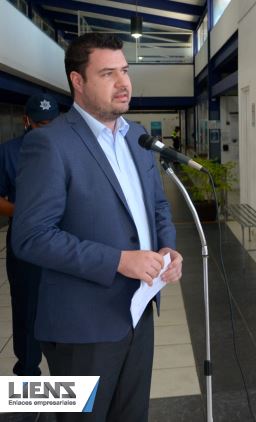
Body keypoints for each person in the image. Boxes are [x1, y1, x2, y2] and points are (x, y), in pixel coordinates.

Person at [12, 33, 183, 421]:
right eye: (107, 74)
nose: (123, 83)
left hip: (138, 315)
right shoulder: (50, 144)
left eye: (125, 71)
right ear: (78, 81)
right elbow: (31, 237)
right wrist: (118, 260)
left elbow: (156, 206)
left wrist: (168, 248)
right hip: (80, 327)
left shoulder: (137, 136)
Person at [0, 93, 60, 376]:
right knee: (26, 308)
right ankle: (27, 373)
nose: (46, 131)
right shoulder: (9, 152)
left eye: (52, 124)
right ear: (27, 121)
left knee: (65, 305)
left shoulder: (68, 148)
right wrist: (23, 213)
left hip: (63, 241)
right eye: (41, 124)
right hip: (25, 243)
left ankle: (68, 374)